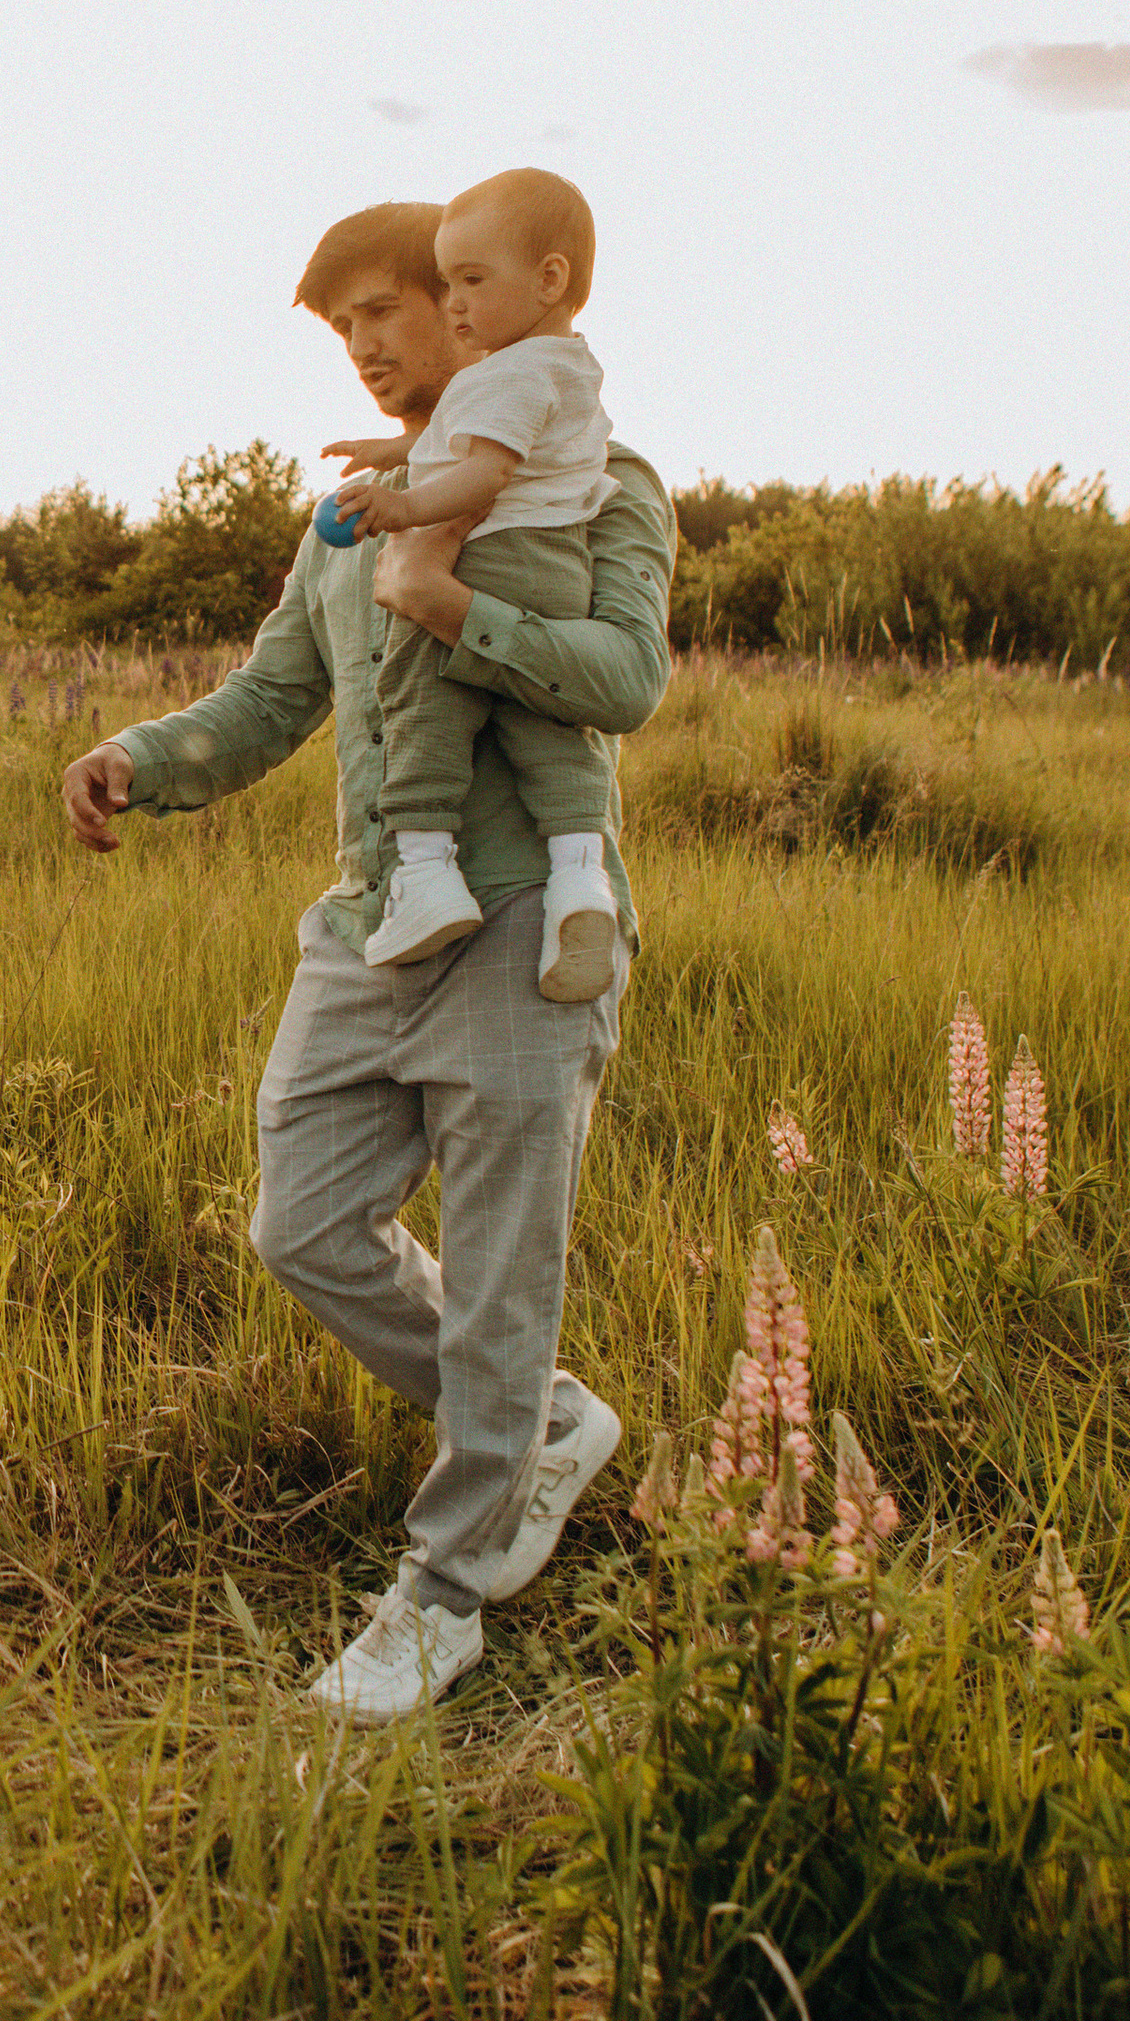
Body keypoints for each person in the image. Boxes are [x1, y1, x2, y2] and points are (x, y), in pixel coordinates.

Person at [57, 198, 674, 1728]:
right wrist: (145, 753)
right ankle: (538, 1430)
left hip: (529, 926)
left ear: (469, 313)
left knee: (501, 1289)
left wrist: (456, 604)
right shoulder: (340, 518)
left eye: (383, 314)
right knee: (302, 1224)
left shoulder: (600, 484)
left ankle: (447, 1592)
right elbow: (274, 696)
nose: (366, 349)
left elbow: (627, 679)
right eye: (343, 332)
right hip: (365, 933)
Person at [323, 167, 621, 999]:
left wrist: (403, 505)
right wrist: (395, 454)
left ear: (549, 279)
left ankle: (425, 869)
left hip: (494, 555)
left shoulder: (512, 373)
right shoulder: (566, 370)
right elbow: (485, 441)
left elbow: (482, 473)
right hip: (556, 564)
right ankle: (579, 878)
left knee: (418, 693)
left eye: (469, 282)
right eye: (448, 281)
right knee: (548, 735)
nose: (457, 301)